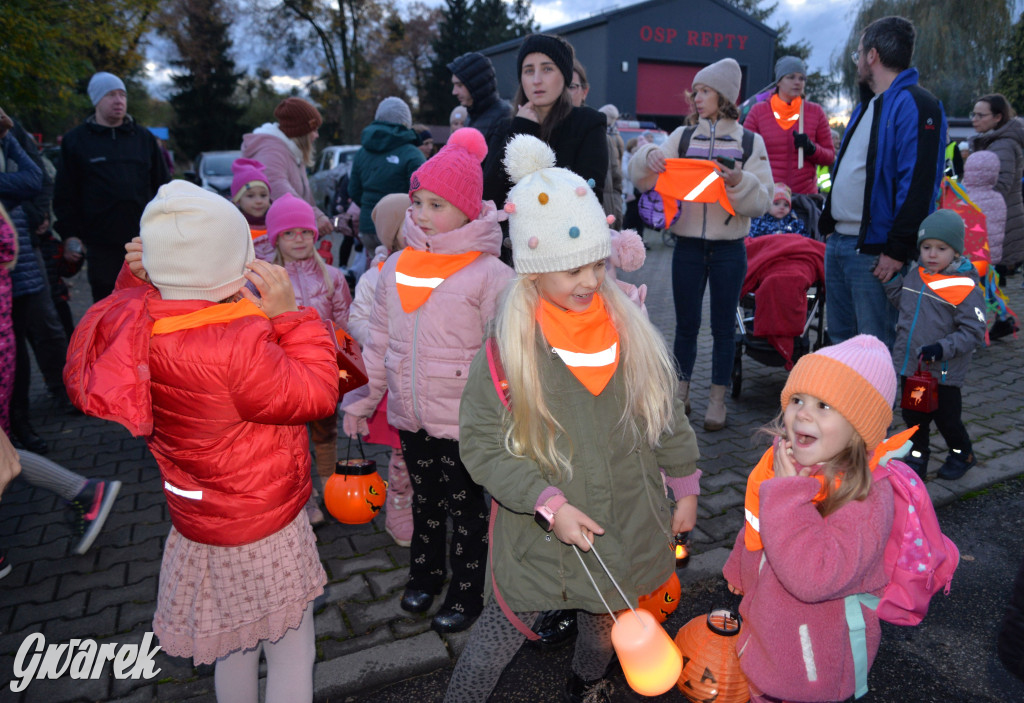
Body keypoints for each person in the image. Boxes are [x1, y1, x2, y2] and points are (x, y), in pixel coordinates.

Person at [443, 134, 700, 703]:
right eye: (571, 270)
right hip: (544, 533)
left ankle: (586, 681)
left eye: (597, 264)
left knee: (606, 617)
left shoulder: (628, 329)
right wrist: (546, 503)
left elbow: (665, 414)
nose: (589, 281)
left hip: (625, 515)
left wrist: (683, 484)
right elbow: (482, 443)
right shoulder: (509, 350)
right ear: (533, 273)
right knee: (501, 631)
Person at [64, 181, 339, 702]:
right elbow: (317, 394)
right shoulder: (237, 343)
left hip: (201, 526)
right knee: (291, 653)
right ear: (233, 267)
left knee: (233, 651)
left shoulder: (143, 324)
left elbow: (131, 301)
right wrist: (288, 316)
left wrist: (139, 275)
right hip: (264, 528)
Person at [341, 128, 514, 634]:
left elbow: (506, 356)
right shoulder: (395, 267)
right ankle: (425, 574)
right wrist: (363, 397)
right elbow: (377, 343)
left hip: (464, 421)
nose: (420, 214)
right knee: (425, 500)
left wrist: (507, 415)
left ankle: (466, 589)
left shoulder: (489, 274)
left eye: (436, 204)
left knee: (466, 507)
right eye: (418, 202)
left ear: (466, 211)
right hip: (411, 415)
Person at [723, 334, 896, 703]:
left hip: (815, 668)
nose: (803, 413)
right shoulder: (792, 463)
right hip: (771, 635)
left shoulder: (865, 498)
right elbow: (759, 522)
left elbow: (812, 578)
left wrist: (787, 493)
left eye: (824, 406)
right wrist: (740, 566)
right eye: (797, 400)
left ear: (859, 427)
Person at [630, 57, 772, 430]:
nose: (696, 98)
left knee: (724, 327)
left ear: (724, 95)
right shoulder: (682, 137)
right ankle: (681, 397)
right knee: (687, 326)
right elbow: (640, 176)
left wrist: (740, 181)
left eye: (704, 91)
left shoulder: (750, 141)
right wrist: (649, 156)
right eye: (695, 92)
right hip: (688, 247)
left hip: (730, 249)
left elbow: (763, 201)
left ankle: (717, 401)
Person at [819, 16, 947, 348]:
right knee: (840, 345)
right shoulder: (867, 106)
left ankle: (877, 403)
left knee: (874, 346)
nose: (857, 62)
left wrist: (897, 249)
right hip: (840, 244)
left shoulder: (917, 105)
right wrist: (830, 224)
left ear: (872, 55)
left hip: (875, 256)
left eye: (858, 54)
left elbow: (919, 182)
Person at [52, 72, 170, 301]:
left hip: (144, 240)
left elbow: (163, 187)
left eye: (122, 95)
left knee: (148, 300)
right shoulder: (76, 141)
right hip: (100, 244)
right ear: (97, 100)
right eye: (111, 95)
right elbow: (65, 193)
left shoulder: (144, 139)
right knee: (108, 304)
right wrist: (70, 234)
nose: (119, 101)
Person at [885, 210, 985, 480]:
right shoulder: (917, 275)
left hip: (943, 372)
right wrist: (892, 284)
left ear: (956, 251)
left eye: (941, 248)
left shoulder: (964, 286)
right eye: (926, 247)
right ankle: (918, 458)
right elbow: (905, 306)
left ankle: (962, 453)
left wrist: (942, 348)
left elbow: (974, 330)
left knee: (947, 419)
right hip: (913, 367)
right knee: (914, 417)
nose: (932, 254)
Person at [346, 193, 413, 547]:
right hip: (393, 380)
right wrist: (384, 337)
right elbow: (355, 319)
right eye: (407, 226)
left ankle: (431, 499)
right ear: (392, 235)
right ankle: (400, 502)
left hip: (434, 382)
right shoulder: (376, 278)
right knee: (403, 452)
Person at [498, 34, 608, 207]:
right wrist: (521, 130)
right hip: (511, 233)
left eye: (547, 69)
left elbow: (588, 197)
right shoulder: (507, 126)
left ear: (564, 76)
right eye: (528, 71)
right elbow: (490, 196)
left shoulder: (588, 124)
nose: (536, 80)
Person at [241, 96, 333, 241]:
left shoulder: (292, 152)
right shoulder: (272, 152)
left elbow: (301, 195)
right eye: (313, 130)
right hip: (271, 241)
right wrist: (314, 215)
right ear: (300, 133)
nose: (316, 135)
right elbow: (279, 190)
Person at [743, 56, 835, 201]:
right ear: (779, 81)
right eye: (791, 77)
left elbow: (829, 156)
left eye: (802, 78)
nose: (798, 82)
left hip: (804, 199)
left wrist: (812, 149)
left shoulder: (815, 112)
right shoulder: (758, 112)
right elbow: (744, 153)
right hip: (768, 197)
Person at [348, 97, 425, 255]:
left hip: (368, 226)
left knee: (376, 269)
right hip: (400, 228)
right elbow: (424, 194)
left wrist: (371, 208)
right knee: (398, 273)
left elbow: (354, 190)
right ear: (406, 122)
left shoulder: (362, 153)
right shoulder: (413, 154)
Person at [961, 150, 1018, 340]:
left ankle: (973, 331)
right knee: (989, 288)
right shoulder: (997, 198)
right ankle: (1003, 316)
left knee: (971, 295)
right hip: (989, 257)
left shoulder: (965, 196)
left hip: (969, 258)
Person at [969, 93, 1024, 284]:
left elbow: (1000, 186)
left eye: (980, 115)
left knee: (992, 286)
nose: (974, 120)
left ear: (998, 117)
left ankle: (1001, 314)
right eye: (973, 114)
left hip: (1001, 226)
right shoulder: (996, 142)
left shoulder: (1003, 145)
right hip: (1000, 222)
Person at [447, 51, 514, 190]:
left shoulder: (504, 116)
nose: (454, 92)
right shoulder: (471, 116)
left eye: (459, 85)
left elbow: (496, 177)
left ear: (476, 84)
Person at [231, 158, 273, 261]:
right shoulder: (233, 226)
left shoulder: (276, 222)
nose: (258, 201)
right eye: (250, 196)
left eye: (263, 195)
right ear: (238, 200)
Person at [597, 104, 625, 229]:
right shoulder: (617, 137)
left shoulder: (607, 138)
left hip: (606, 199)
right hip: (610, 200)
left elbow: (615, 175)